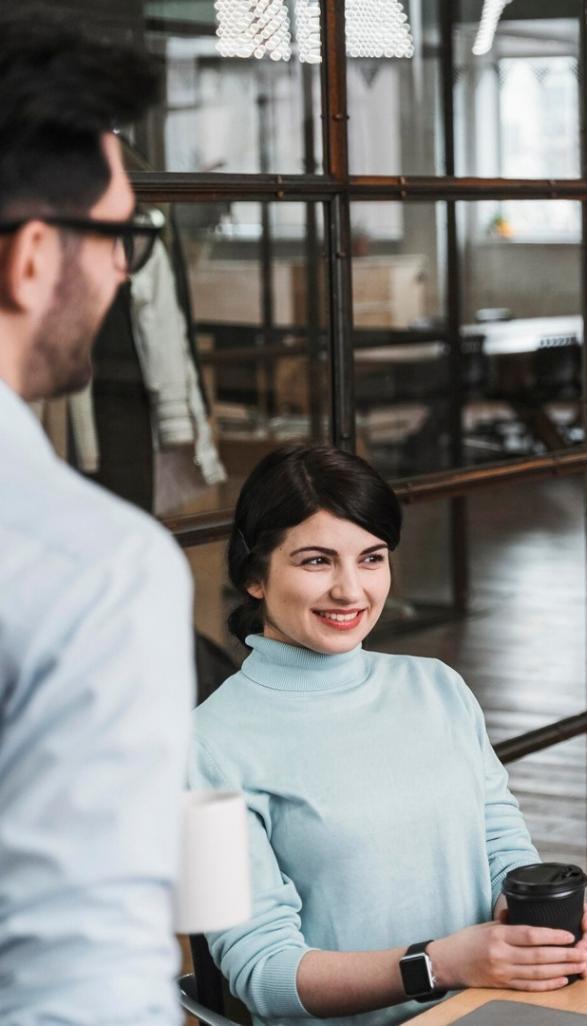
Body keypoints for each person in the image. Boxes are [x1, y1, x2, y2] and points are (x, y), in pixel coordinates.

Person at [191, 445, 587, 1026]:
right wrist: (439, 965)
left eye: (372, 558)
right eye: (315, 561)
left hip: (496, 1013)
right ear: (255, 575)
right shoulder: (198, 747)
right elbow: (263, 975)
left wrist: (531, 920)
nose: (351, 591)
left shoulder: (438, 688)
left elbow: (501, 848)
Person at [0, 16, 195, 1026]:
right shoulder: (91, 568)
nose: (125, 269)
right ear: (33, 258)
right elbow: (83, 994)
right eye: (120, 235)